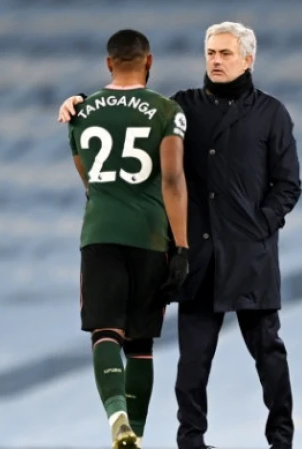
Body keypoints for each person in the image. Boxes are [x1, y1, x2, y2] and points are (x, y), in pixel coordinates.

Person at [59, 21, 302, 449]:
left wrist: (263, 222)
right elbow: (131, 116)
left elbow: (288, 184)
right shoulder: (181, 106)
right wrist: (78, 100)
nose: (216, 61)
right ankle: (191, 440)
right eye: (211, 53)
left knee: (269, 353)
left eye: (226, 54)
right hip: (199, 256)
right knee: (192, 361)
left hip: (250, 253)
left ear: (248, 59)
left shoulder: (272, 113)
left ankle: (281, 439)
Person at [65, 29, 190, 449]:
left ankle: (117, 415)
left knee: (105, 332)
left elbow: (88, 179)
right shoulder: (167, 110)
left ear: (108, 63)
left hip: (100, 232)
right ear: (148, 61)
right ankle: (137, 431)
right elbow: (172, 180)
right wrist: (182, 247)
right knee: (140, 343)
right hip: (150, 235)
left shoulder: (80, 111)